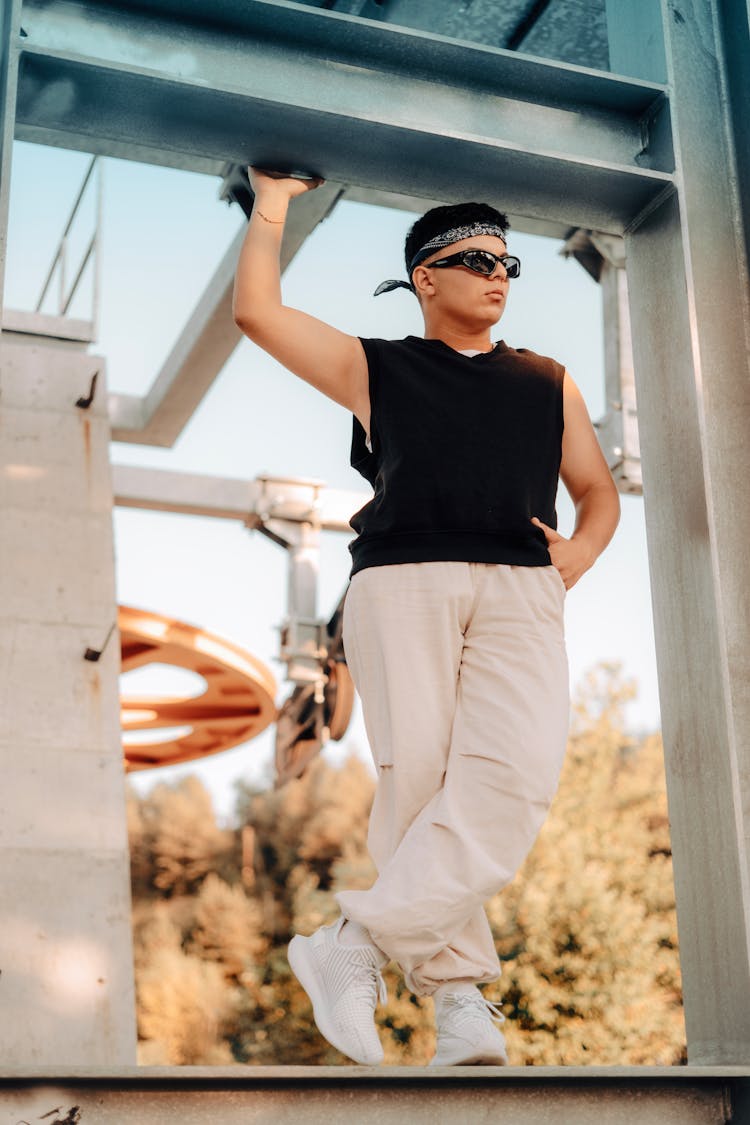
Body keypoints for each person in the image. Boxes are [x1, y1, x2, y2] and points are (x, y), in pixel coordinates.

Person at [233, 168, 621, 1067]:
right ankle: (459, 1004)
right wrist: (273, 204)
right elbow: (257, 314)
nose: (498, 274)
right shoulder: (380, 366)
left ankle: (356, 945)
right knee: (422, 787)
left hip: (525, 586)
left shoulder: (546, 379)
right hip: (404, 578)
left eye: (509, 262)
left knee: (514, 777)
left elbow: (595, 489)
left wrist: (582, 551)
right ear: (425, 278)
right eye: (476, 258)